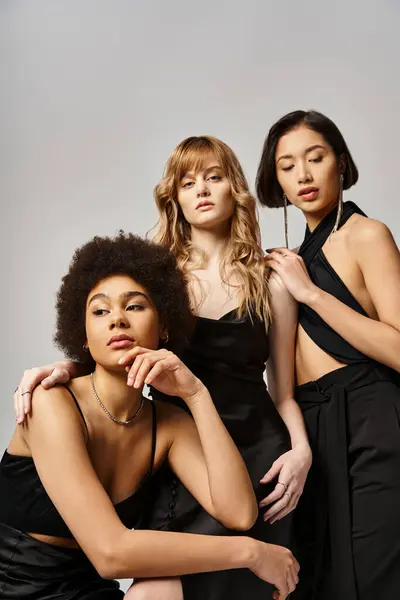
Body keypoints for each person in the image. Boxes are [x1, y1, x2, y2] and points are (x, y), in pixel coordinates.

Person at [14, 137, 311, 600]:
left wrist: (302, 451)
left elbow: (284, 389)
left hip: (251, 448)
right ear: (173, 196)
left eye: (214, 178)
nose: (203, 190)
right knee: (172, 584)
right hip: (179, 451)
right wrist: (68, 369)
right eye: (188, 182)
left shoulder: (267, 278)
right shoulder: (159, 276)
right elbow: (117, 342)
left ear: (235, 188)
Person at [256, 109, 400, 600]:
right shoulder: (290, 261)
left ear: (340, 162)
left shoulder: (367, 235)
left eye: (315, 158)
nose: (303, 174)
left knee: (375, 576)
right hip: (309, 429)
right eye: (287, 164)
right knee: (319, 580)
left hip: (371, 418)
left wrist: (312, 294)